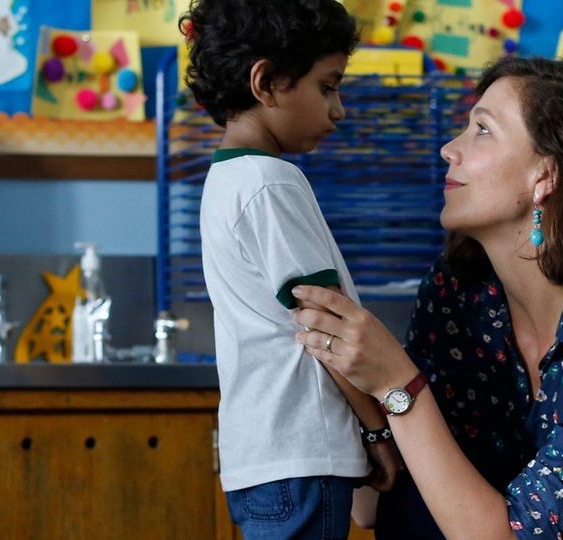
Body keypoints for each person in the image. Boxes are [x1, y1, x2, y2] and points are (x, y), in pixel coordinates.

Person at [291, 56, 563, 539]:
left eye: (482, 130)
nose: (449, 149)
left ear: (546, 176)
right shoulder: (460, 292)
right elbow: (381, 503)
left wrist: (397, 385)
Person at [181, 1, 400, 538]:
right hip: (303, 451)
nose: (338, 110)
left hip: (266, 457)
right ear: (266, 82)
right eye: (328, 87)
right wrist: (377, 432)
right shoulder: (269, 181)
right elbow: (327, 325)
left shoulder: (227, 179)